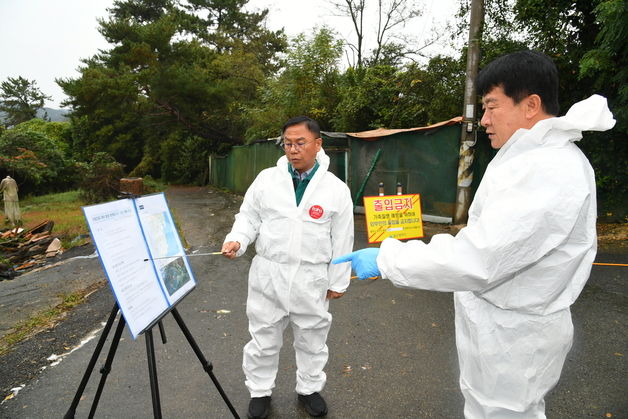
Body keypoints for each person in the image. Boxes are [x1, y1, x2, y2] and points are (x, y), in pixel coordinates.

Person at [333, 50, 615, 418]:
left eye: (491, 107)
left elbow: (481, 257)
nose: (483, 120)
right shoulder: (530, 158)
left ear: (530, 105)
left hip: (515, 337)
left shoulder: (549, 168)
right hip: (504, 331)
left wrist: (388, 258)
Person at [222, 116, 354, 419]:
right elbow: (249, 217)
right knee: (263, 337)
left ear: (318, 144)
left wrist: (339, 280)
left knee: (312, 338)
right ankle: (260, 391)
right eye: (288, 143)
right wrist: (237, 240)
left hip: (312, 277)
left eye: (300, 143)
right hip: (269, 273)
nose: (293, 149)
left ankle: (309, 389)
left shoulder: (335, 189)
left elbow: (343, 238)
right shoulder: (267, 179)